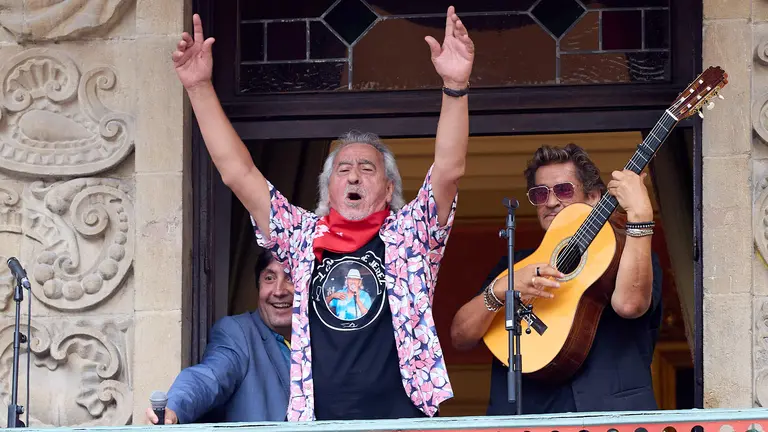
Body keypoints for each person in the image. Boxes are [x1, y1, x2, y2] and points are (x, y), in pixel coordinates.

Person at [171, 6, 475, 422]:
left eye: (367, 169)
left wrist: (455, 86)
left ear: (388, 189)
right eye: (342, 169)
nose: (354, 176)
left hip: (402, 419)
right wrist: (199, 87)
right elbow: (238, 173)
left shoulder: (411, 234)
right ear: (328, 188)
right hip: (319, 422)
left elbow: (449, 170)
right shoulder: (302, 236)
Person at [451, 143, 663, 414]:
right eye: (540, 194)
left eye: (563, 190)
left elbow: (629, 305)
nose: (550, 202)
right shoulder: (515, 265)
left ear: (593, 197)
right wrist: (501, 289)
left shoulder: (629, 254)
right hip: (530, 417)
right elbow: (460, 336)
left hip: (611, 416)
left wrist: (640, 218)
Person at [145, 250, 294, 424]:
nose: (279, 291)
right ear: (258, 286)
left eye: (290, 277)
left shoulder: (319, 342)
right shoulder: (238, 333)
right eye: (269, 278)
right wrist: (174, 408)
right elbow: (209, 377)